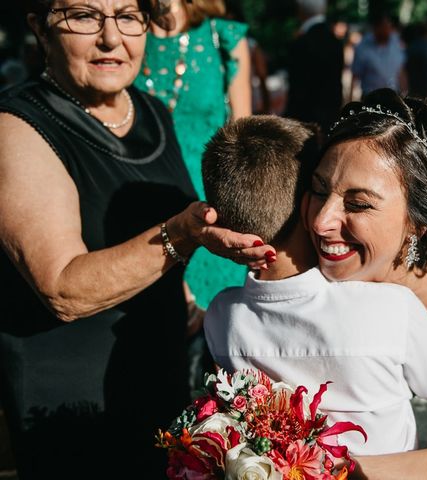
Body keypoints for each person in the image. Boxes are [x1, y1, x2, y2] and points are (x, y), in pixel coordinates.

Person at [0, 1, 270, 478]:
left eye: (128, 16)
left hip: (158, 385)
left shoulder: (151, 112)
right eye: (84, 15)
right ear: (40, 29)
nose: (111, 37)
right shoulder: (17, 127)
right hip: (73, 406)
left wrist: (183, 295)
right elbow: (62, 287)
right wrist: (182, 235)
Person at [198, 88, 427, 477]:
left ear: (417, 223)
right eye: (319, 190)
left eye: (358, 204)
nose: (321, 221)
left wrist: (301, 470)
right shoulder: (295, 260)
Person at [133, 0, 252, 392]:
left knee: (217, 367)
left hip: (212, 212)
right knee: (152, 359)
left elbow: (242, 140)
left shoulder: (222, 37)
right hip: (143, 208)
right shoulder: (127, 32)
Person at [283, 0, 343, 135]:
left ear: (300, 10)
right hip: (330, 118)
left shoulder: (301, 43)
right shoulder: (335, 42)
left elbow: (297, 90)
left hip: (305, 122)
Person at [350, 12, 406, 100]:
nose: (388, 30)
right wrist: (350, 99)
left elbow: (401, 71)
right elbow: (355, 75)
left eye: (389, 26)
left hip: (393, 97)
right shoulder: (364, 46)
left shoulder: (396, 43)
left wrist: (405, 95)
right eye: (384, 27)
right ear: (376, 28)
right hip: (370, 97)